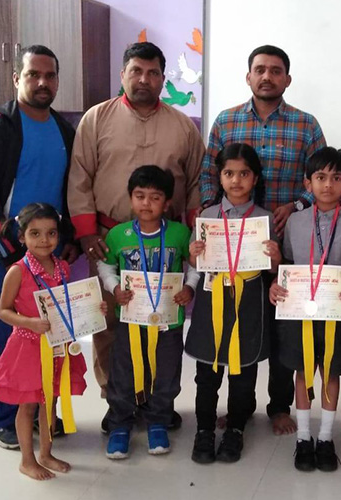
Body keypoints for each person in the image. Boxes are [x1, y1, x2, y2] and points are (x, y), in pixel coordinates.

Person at [67, 42, 204, 430]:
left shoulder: (183, 126)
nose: (144, 79)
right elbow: (80, 178)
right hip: (109, 239)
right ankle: (118, 403)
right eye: (136, 71)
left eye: (153, 73)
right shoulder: (97, 119)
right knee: (111, 322)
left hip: (166, 243)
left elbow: (196, 182)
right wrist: (86, 234)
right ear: (123, 74)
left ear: (163, 78)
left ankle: (158, 402)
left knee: (162, 323)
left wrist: (194, 238)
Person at [200, 45, 326, 435]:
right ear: (248, 76)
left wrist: (297, 205)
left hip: (288, 241)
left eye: (275, 70)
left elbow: (319, 176)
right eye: (260, 69)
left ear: (287, 79)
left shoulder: (306, 125)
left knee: (282, 326)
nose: (267, 76)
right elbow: (208, 175)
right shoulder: (226, 121)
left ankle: (279, 406)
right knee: (237, 324)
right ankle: (240, 406)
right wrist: (215, 226)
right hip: (233, 253)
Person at [0, 45, 77, 449]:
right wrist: (12, 252)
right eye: (33, 74)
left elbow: (69, 190)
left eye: (50, 75)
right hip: (1, 256)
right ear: (17, 78)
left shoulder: (65, 130)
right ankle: (3, 417)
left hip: (47, 254)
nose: (42, 82)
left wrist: (68, 240)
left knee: (45, 337)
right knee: (3, 338)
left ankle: (39, 410)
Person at [270, 147, 341, 472]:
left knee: (331, 372)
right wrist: (276, 284)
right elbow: (286, 264)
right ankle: (303, 438)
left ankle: (325, 437)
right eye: (320, 177)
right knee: (303, 371)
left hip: (336, 313)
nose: (328, 185)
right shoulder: (295, 222)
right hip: (300, 312)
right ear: (307, 184)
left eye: (336, 178)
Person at [187, 143, 281, 464]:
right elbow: (194, 262)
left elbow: (272, 270)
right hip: (212, 299)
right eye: (229, 173)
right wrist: (194, 253)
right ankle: (203, 429)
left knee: (243, 370)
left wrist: (275, 257)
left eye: (244, 174)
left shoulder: (265, 219)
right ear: (220, 177)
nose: (236, 180)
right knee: (207, 369)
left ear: (255, 178)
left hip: (249, 301)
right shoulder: (207, 216)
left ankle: (236, 428)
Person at [0, 203, 92, 480]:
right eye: (35, 233)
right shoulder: (17, 271)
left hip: (57, 345)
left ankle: (46, 453)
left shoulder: (62, 268)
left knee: (51, 401)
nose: (44, 240)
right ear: (22, 237)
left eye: (51, 233)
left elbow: (67, 304)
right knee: (28, 405)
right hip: (28, 347)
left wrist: (91, 310)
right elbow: (3, 311)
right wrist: (29, 322)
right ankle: (27, 460)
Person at [97, 166, 193, 459]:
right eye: (140, 196)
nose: (146, 203)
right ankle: (120, 424)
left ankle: (158, 422)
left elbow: (195, 264)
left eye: (155, 197)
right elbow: (105, 266)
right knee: (123, 371)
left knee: (166, 372)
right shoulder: (118, 235)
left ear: (167, 202)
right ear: (130, 198)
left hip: (168, 321)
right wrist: (114, 288)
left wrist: (189, 287)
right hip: (130, 319)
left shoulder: (179, 233)